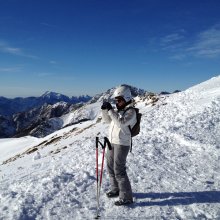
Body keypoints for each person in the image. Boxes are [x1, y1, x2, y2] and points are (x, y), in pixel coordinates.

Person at [101, 85, 137, 206]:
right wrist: (104, 110)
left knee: (119, 170)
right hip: (112, 141)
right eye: (116, 100)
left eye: (119, 100)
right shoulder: (119, 111)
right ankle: (116, 189)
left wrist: (111, 110)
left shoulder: (131, 112)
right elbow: (108, 121)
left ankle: (126, 196)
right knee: (110, 166)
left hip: (122, 144)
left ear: (126, 98)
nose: (117, 102)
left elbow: (122, 123)